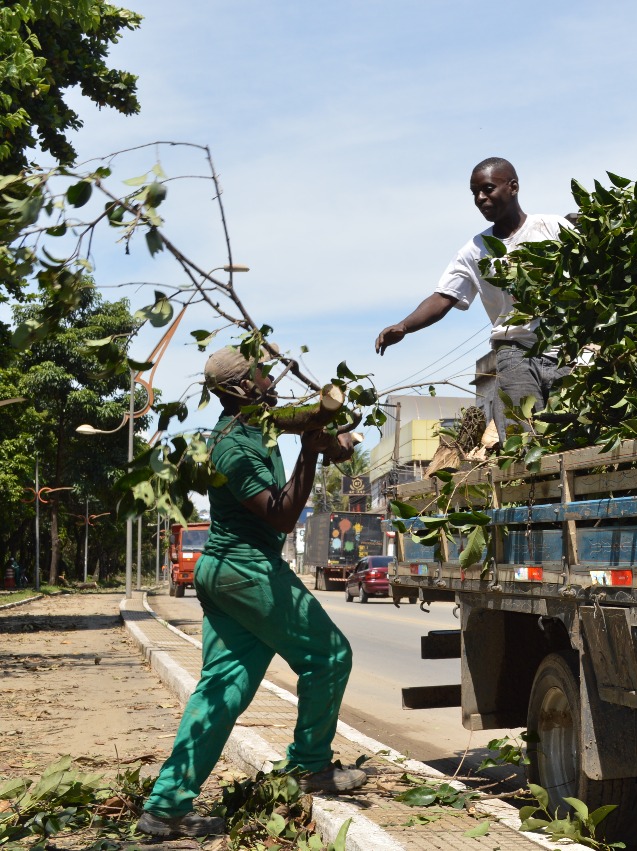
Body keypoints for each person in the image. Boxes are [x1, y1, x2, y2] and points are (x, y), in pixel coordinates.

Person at [138, 348, 365, 839]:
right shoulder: (234, 447)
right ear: (242, 388)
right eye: (263, 374)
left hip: (224, 571)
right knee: (329, 656)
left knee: (223, 688)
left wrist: (331, 437)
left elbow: (304, 418)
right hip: (245, 569)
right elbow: (283, 515)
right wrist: (311, 445)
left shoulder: (256, 423)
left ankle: (166, 808)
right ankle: (309, 765)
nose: (273, 380)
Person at [374, 157, 572, 426]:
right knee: (523, 434)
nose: (480, 198)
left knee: (572, 426)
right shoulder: (474, 250)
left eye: (487, 189)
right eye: (474, 193)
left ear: (513, 187)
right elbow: (444, 297)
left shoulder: (552, 228)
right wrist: (404, 326)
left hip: (568, 347)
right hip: (515, 349)